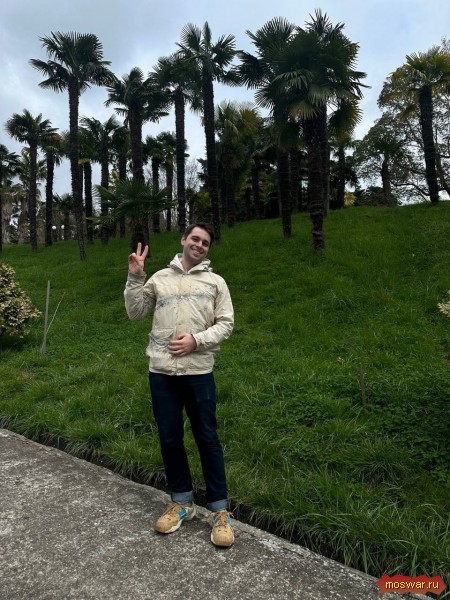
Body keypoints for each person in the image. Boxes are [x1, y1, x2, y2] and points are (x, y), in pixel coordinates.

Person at [124, 223, 235, 547]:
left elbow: (226, 324)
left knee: (207, 438)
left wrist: (196, 341)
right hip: (161, 372)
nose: (199, 245)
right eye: (195, 239)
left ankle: (220, 511)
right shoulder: (160, 278)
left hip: (198, 372)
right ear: (183, 240)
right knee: (170, 437)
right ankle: (182, 502)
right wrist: (135, 277)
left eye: (205, 242)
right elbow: (135, 313)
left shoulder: (215, 282)